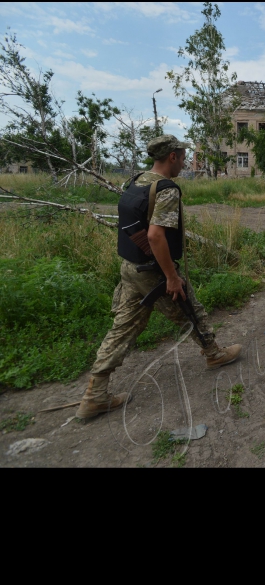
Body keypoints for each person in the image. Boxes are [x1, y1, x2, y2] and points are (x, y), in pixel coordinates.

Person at [76, 135, 242, 419]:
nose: (185, 161)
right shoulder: (166, 189)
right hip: (152, 272)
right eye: (182, 156)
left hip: (130, 269)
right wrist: (171, 277)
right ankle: (214, 354)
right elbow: (155, 236)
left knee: (122, 330)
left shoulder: (137, 181)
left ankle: (94, 395)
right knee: (190, 311)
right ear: (173, 157)